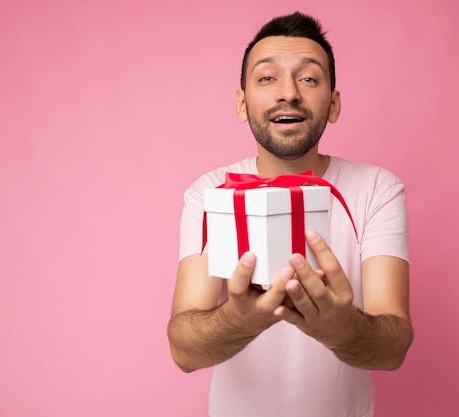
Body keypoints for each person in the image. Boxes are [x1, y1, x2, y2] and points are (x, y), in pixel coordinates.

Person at [167, 11, 413, 417]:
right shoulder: (210, 193)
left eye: (309, 78)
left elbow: (393, 347)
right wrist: (240, 318)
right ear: (242, 103)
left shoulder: (377, 189)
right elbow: (184, 350)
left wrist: (341, 327)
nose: (289, 93)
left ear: (333, 105)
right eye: (267, 78)